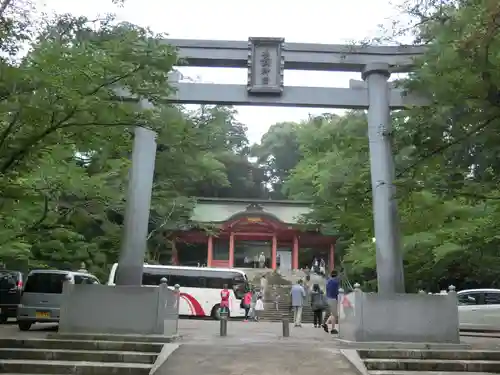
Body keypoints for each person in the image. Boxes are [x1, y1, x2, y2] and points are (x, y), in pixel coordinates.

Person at [322, 270, 339, 334]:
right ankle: (331, 327)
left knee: (332, 314)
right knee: (334, 314)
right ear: (336, 275)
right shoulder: (335, 282)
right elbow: (336, 292)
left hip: (328, 298)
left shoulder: (328, 281)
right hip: (333, 299)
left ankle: (330, 327)